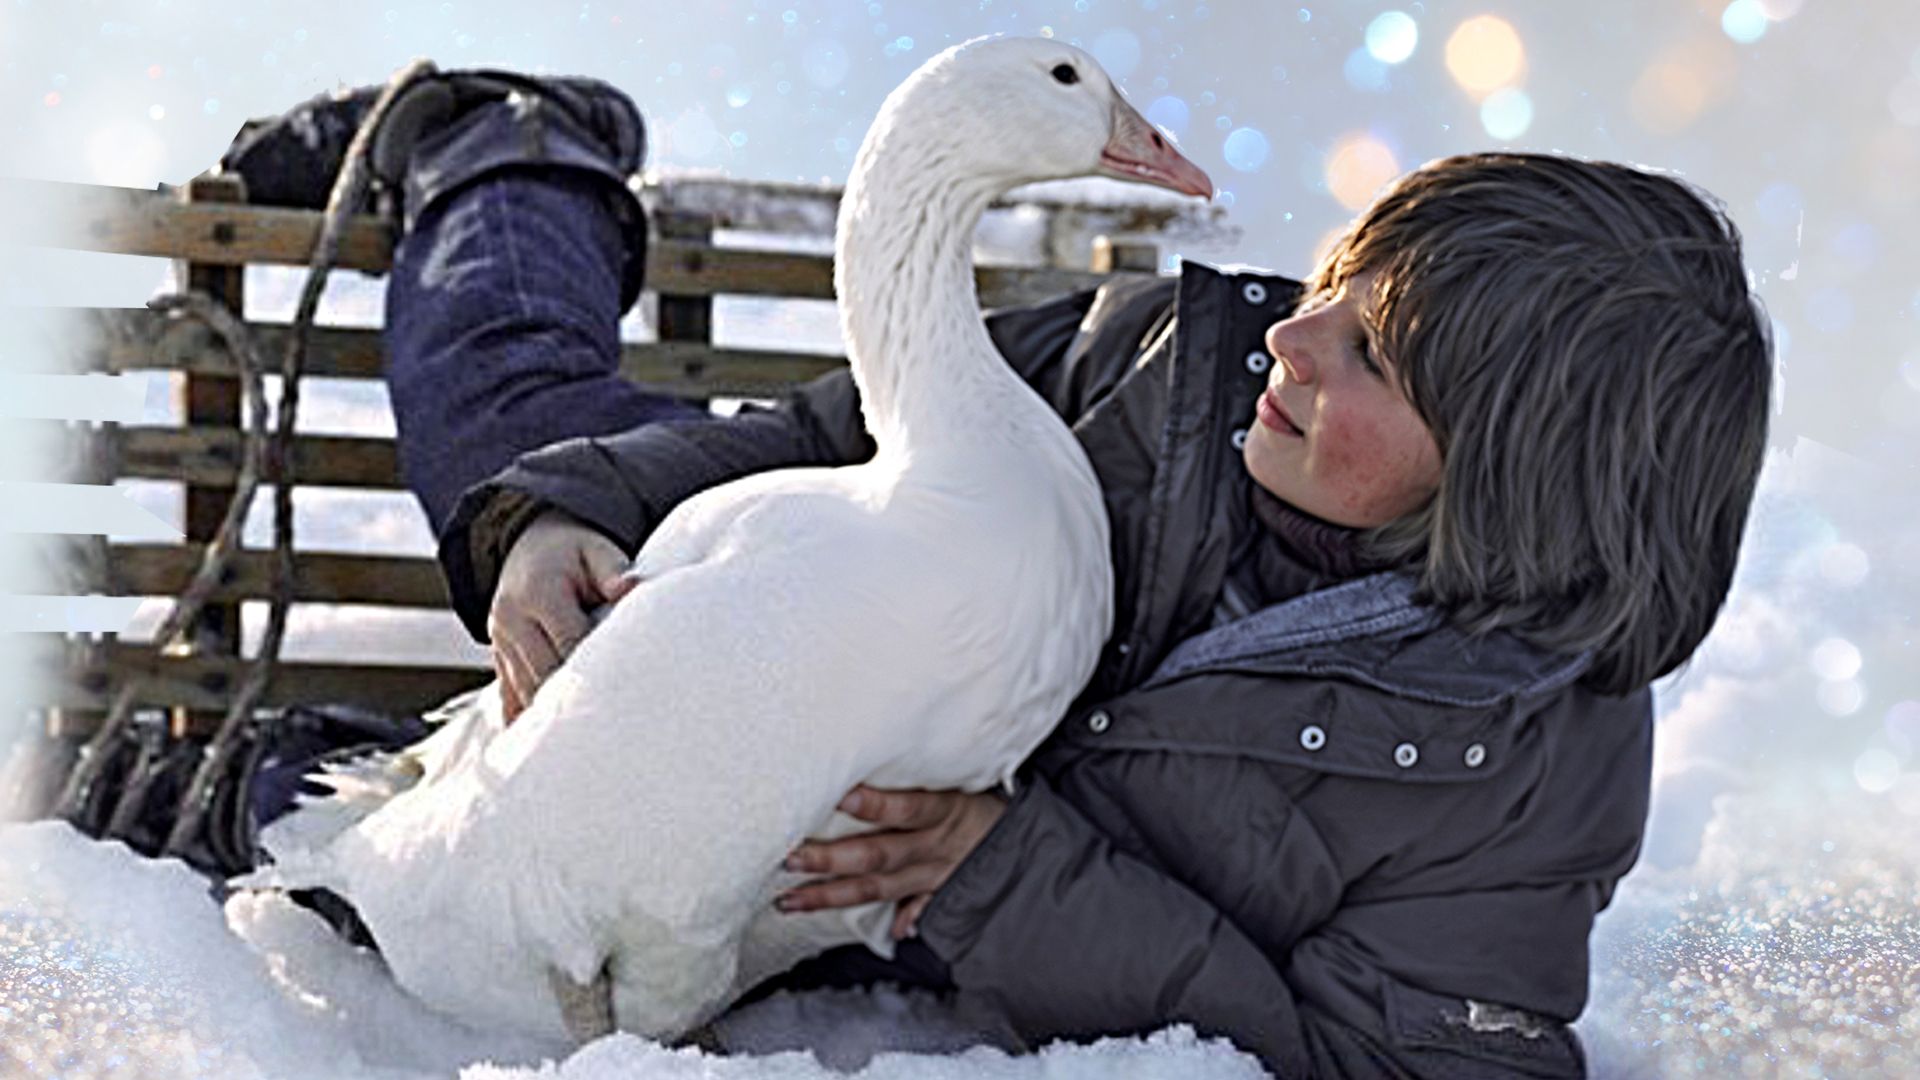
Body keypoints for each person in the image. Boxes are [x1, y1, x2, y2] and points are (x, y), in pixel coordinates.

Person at [219, 70, 1772, 1077]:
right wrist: (557, 517)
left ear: (1508, 469)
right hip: (724, 665)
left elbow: (1385, 1070)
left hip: (780, 907)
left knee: (353, 808)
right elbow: (829, 431)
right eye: (1331, 286)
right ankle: (509, 149)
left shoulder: (1527, 775)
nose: (1290, 336)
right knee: (528, 420)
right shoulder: (1158, 368)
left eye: (1367, 354)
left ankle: (241, 783)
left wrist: (1000, 880)